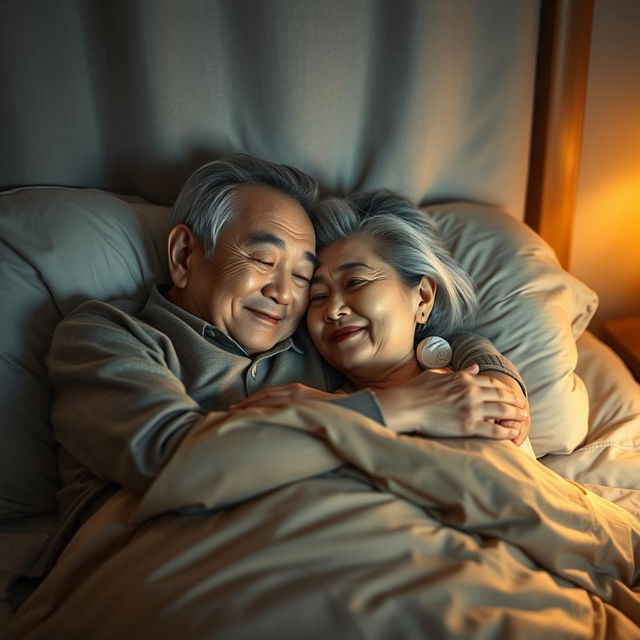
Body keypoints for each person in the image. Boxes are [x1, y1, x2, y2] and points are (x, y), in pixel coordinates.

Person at [9, 154, 528, 611]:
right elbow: (171, 459)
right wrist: (396, 408)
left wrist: (492, 374)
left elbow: (410, 342)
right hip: (156, 561)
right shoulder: (107, 335)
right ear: (185, 256)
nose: (285, 294)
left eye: (302, 277)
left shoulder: (313, 340)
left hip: (339, 554)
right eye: (263, 260)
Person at [231, 189, 534, 455]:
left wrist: (492, 367)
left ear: (424, 297)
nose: (333, 310)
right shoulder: (320, 409)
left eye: (356, 282)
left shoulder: (472, 386)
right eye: (318, 296)